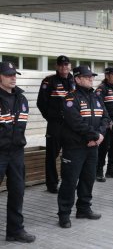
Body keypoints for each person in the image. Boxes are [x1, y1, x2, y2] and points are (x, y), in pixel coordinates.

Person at [58, 66, 110, 228]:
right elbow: (75, 122)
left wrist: (99, 136)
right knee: (70, 181)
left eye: (92, 77)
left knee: (88, 179)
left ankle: (83, 208)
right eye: (87, 77)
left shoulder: (96, 96)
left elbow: (106, 118)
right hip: (75, 147)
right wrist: (94, 136)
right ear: (78, 79)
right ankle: (64, 215)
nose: (90, 79)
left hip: (92, 147)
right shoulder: (70, 98)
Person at [0, 61, 36, 243]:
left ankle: (15, 231)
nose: (13, 77)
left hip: (16, 153)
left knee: (17, 191)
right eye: (8, 75)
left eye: (14, 74)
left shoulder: (21, 98)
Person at [37, 55, 75, 193]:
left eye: (66, 65)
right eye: (61, 65)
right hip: (55, 125)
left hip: (71, 125)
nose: (64, 67)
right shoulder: (49, 81)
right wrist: (52, 119)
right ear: (57, 67)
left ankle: (68, 181)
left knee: (70, 154)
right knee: (52, 155)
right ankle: (52, 184)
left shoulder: (74, 80)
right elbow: (41, 103)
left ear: (70, 66)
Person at [95, 67, 113, 182]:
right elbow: (100, 107)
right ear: (107, 76)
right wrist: (108, 121)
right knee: (104, 148)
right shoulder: (101, 89)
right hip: (107, 124)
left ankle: (111, 169)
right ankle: (99, 171)